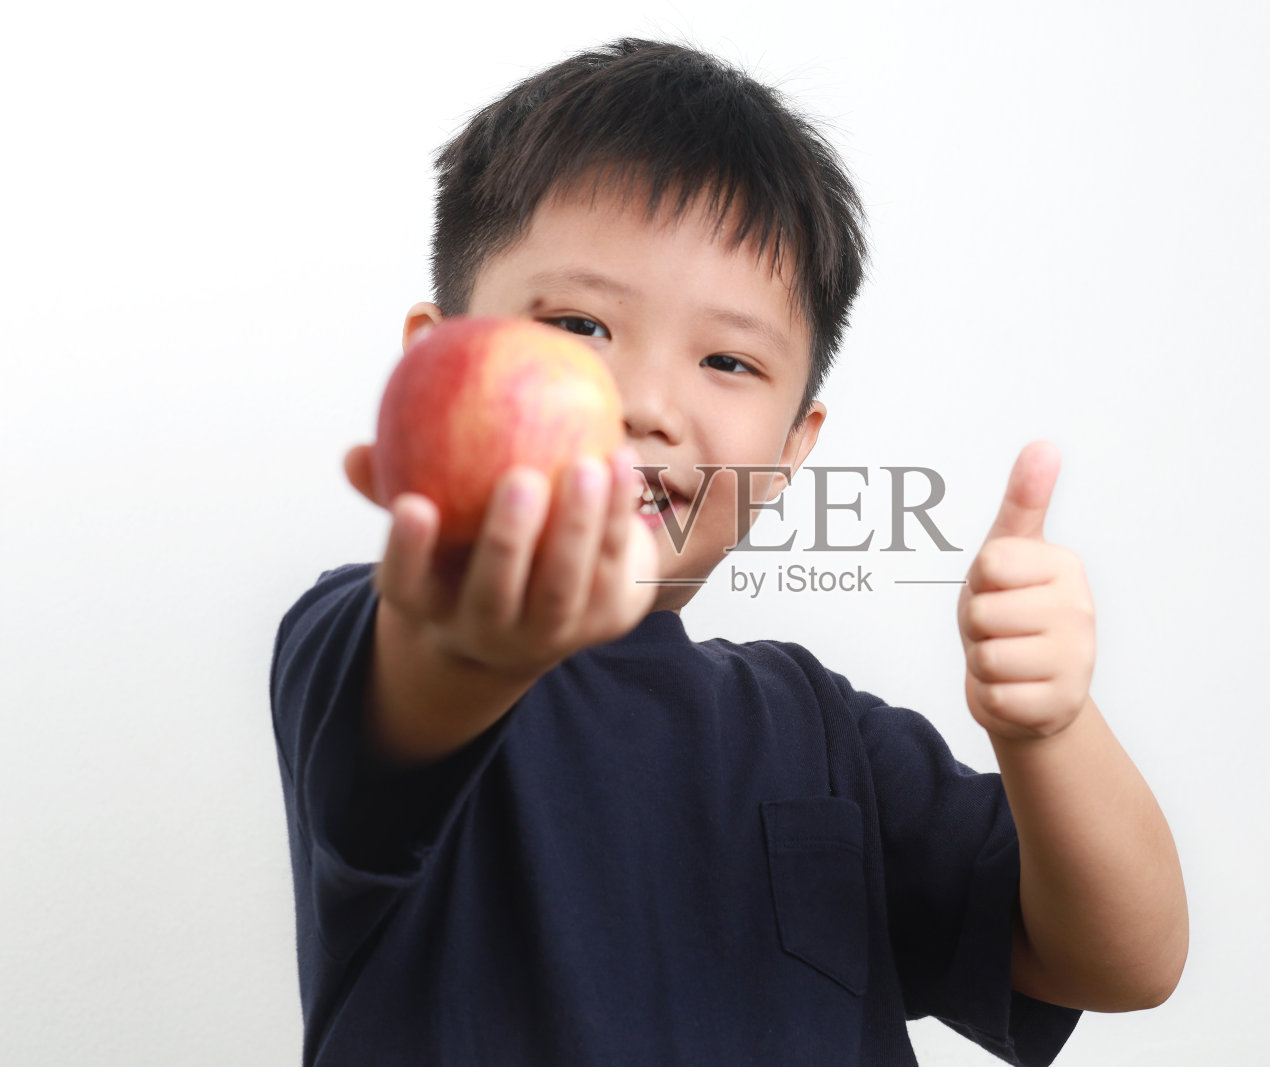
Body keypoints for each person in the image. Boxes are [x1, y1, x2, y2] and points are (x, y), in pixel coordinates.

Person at [269, 37, 1187, 1066]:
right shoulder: (376, 634)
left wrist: (1051, 729)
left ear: (792, 449)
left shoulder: (825, 734)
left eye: (727, 359)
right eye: (579, 324)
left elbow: (1126, 962)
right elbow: (416, 679)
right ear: (437, 360)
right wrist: (475, 636)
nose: (646, 402)